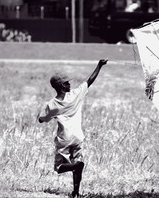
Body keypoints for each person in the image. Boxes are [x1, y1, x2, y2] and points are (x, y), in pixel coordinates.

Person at [38, 59, 108, 198]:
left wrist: (47, 115)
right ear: (62, 86)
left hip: (64, 139)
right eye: (67, 82)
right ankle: (76, 192)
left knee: (59, 168)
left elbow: (41, 120)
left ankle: (76, 177)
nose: (70, 84)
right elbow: (89, 81)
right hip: (78, 137)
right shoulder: (76, 95)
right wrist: (99, 66)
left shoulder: (52, 104)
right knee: (78, 164)